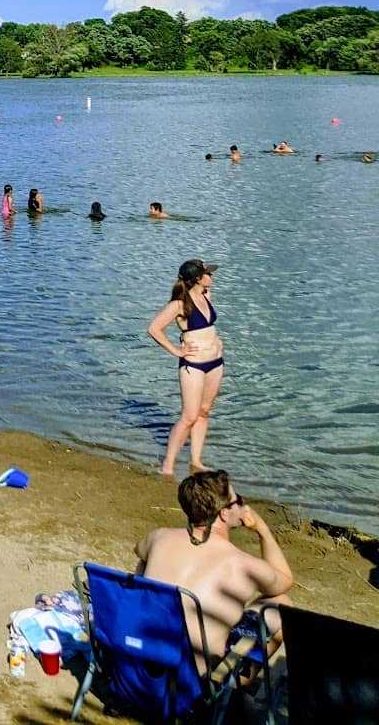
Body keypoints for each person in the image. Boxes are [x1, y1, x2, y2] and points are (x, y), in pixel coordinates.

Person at [134, 470, 294, 673]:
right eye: (239, 501)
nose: (244, 507)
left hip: (137, 660)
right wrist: (263, 530)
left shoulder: (159, 537)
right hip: (193, 678)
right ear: (224, 513)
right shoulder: (244, 564)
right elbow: (285, 580)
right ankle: (234, 684)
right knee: (282, 604)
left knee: (144, 563)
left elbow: (139, 550)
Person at [147, 258, 226, 478]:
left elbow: (207, 328)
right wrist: (177, 351)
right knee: (189, 416)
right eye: (208, 273)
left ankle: (196, 461)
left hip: (216, 362)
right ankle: (168, 465)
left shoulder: (206, 295)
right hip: (194, 365)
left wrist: (217, 340)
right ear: (198, 279)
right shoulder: (179, 304)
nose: (211, 276)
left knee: (204, 411)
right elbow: (154, 329)